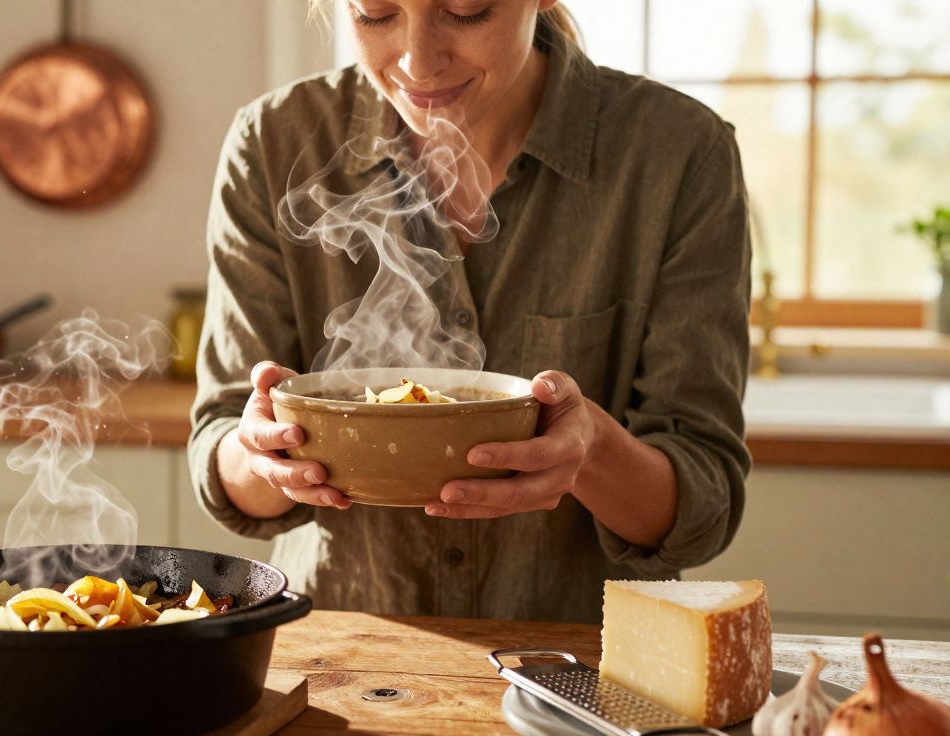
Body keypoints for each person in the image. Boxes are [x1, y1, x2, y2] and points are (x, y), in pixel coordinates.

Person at [188, 0, 751, 623]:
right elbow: (222, 453)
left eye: (467, 10)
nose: (417, 62)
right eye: (375, 14)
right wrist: (261, 450)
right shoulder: (272, 142)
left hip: (580, 670)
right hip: (340, 655)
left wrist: (590, 450)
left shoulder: (677, 153)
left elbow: (703, 506)